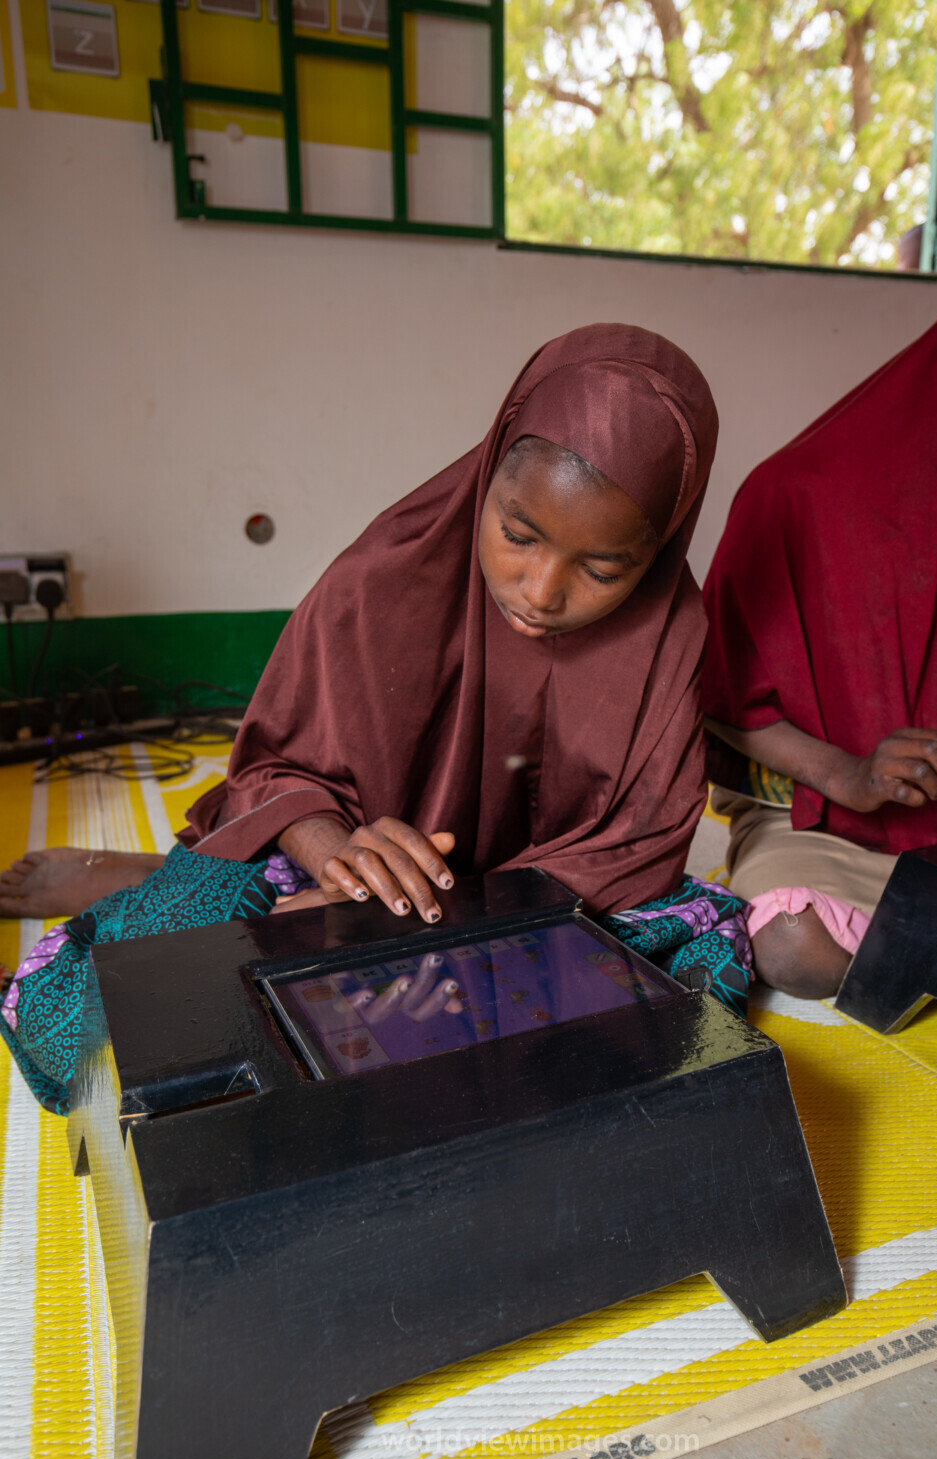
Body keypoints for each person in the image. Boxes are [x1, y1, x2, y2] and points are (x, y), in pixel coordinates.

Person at [0, 324, 752, 1113]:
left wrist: (417, 921)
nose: (540, 590)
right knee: (122, 1018)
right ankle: (156, 876)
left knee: (697, 972)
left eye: (604, 569)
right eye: (517, 535)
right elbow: (274, 770)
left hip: (535, 902)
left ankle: (277, 910)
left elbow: (636, 849)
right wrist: (338, 861)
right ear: (488, 472)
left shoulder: (670, 640)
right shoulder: (383, 574)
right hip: (338, 864)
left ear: (662, 548)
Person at [702, 283, 937, 999]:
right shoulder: (792, 495)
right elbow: (719, 698)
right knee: (793, 941)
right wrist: (850, 774)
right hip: (821, 826)